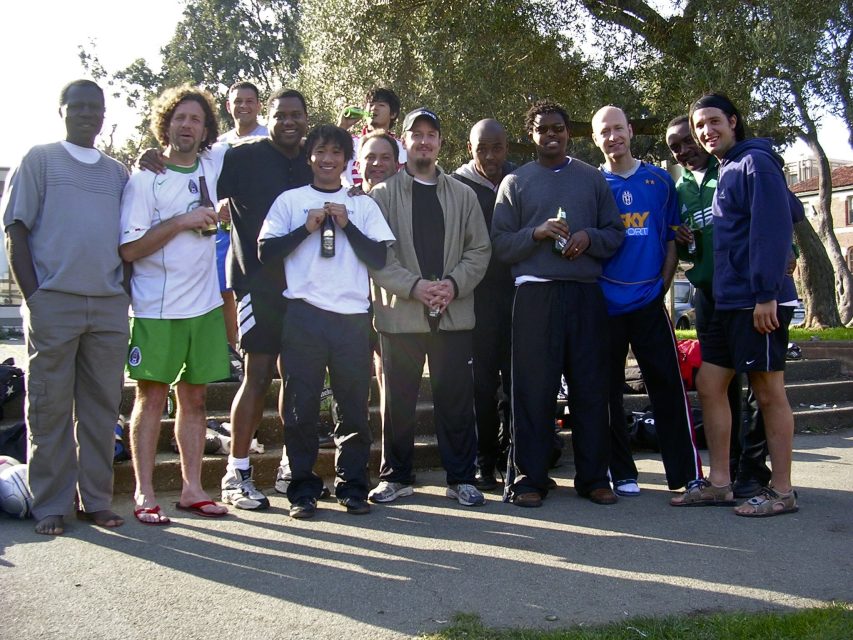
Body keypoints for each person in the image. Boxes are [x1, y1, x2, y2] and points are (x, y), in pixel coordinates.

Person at [1, 79, 130, 535]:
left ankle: (95, 500)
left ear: (103, 114)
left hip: (109, 306)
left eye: (94, 108)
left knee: (100, 409)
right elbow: (15, 231)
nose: (86, 114)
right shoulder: (38, 160)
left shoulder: (117, 173)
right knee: (49, 408)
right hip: (54, 303)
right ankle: (50, 503)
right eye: (77, 106)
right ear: (61, 111)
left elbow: (130, 238)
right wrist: (35, 297)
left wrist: (125, 292)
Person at [672, 92, 800, 517]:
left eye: (713, 121)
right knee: (710, 385)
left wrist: (766, 293)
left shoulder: (756, 162)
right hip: (727, 302)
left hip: (757, 302)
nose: (707, 131)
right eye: (700, 126)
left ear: (733, 120)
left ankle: (781, 492)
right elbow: (790, 209)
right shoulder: (728, 168)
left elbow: (774, 226)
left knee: (768, 392)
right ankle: (720, 483)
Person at [492, 100, 625, 508]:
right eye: (542, 130)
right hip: (535, 294)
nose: (551, 135)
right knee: (534, 389)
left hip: (584, 295)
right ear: (531, 136)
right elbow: (500, 244)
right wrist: (536, 233)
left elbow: (615, 233)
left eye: (558, 128)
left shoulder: (592, 179)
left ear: (569, 133)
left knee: (590, 387)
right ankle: (530, 479)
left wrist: (588, 238)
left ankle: (593, 477)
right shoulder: (515, 182)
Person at [258, 124, 394, 518]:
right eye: (320, 152)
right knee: (301, 408)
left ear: (346, 159)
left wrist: (347, 226)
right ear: (309, 156)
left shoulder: (363, 205)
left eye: (336, 152)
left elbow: (381, 258)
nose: (328, 159)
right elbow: (266, 252)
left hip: (352, 317)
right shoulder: (290, 201)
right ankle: (302, 488)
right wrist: (307, 228)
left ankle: (352, 486)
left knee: (353, 407)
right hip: (304, 314)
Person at [368, 108, 491, 507]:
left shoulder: (463, 194)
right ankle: (396, 476)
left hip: (453, 313)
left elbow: (480, 249)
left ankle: (460, 477)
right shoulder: (382, 196)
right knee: (399, 399)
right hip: (401, 315)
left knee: (455, 399)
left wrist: (452, 285)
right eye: (416, 134)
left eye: (431, 134)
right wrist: (415, 287)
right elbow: (377, 256)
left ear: (440, 142)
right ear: (404, 141)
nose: (424, 141)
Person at [120, 85, 230, 524]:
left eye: (196, 119)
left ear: (206, 130)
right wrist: (182, 221)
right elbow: (130, 250)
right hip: (156, 309)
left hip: (204, 306)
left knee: (198, 399)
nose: (187, 125)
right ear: (166, 123)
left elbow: (261, 137)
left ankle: (192, 489)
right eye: (180, 117)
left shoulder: (213, 163)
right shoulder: (146, 178)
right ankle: (144, 493)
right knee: (151, 398)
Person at [590, 106, 703, 497]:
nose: (612, 137)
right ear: (595, 139)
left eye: (618, 128)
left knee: (669, 388)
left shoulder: (658, 180)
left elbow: (671, 241)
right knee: (605, 392)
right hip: (604, 306)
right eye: (604, 131)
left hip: (649, 302)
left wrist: (661, 287)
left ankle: (685, 474)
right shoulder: (590, 183)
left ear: (630, 131)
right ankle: (621, 471)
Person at [665, 115, 770, 498]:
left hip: (745, 294)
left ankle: (754, 470)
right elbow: (684, 240)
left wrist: (783, 261)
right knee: (717, 387)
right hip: (708, 295)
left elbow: (770, 218)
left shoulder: (733, 169)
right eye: (674, 147)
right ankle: (724, 474)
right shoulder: (679, 189)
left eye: (686, 140)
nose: (683, 149)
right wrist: (680, 235)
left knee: (759, 387)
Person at [451, 119, 516, 491]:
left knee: (517, 384)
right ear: (469, 148)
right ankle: (484, 463)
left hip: (518, 297)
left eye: (497, 148)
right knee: (481, 387)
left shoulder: (521, 180)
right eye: (482, 149)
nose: (490, 157)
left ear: (508, 147)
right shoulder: (456, 185)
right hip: (474, 301)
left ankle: (516, 461)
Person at [215, 81, 270, 349]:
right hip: (227, 231)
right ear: (228, 106)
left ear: (259, 105)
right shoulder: (219, 145)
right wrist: (218, 206)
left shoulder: (270, 138)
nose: (244, 106)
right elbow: (210, 188)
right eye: (238, 101)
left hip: (263, 231)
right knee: (226, 288)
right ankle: (232, 351)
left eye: (250, 101)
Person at [338, 87, 406, 186]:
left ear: (393, 114)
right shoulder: (349, 142)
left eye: (381, 105)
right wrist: (342, 126)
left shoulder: (403, 147)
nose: (374, 108)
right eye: (371, 104)